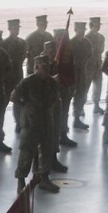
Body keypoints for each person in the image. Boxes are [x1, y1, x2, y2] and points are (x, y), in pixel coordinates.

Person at [11, 54, 60, 194]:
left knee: (47, 149)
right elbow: (13, 97)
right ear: (36, 67)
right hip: (31, 121)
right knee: (27, 149)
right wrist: (26, 106)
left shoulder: (52, 83)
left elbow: (55, 98)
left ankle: (44, 177)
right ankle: (21, 179)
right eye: (44, 67)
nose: (47, 70)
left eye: (48, 67)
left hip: (46, 119)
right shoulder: (27, 82)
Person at [41, 39, 67, 174]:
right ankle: (42, 162)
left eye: (53, 50)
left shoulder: (57, 63)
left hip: (55, 101)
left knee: (55, 131)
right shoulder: (39, 64)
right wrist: (53, 79)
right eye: (48, 51)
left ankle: (53, 158)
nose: (50, 53)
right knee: (44, 133)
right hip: (43, 104)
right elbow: (37, 80)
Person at [2, 18, 27, 134]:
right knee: (3, 102)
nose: (16, 30)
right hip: (7, 77)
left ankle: (18, 123)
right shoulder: (4, 44)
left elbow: (22, 58)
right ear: (9, 29)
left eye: (17, 28)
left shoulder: (23, 43)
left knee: (18, 101)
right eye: (14, 28)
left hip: (18, 76)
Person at [71, 21, 93, 131]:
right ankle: (63, 123)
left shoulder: (87, 43)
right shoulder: (70, 43)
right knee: (67, 97)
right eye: (80, 30)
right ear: (75, 30)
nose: (82, 32)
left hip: (82, 73)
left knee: (81, 96)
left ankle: (76, 119)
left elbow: (89, 56)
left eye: (84, 30)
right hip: (72, 73)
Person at [86, 16, 105, 115]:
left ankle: (96, 106)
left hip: (98, 65)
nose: (97, 27)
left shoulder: (101, 37)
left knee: (98, 86)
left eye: (98, 25)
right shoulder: (86, 38)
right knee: (85, 87)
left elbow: (101, 50)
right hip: (89, 66)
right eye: (95, 25)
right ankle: (80, 108)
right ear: (91, 25)